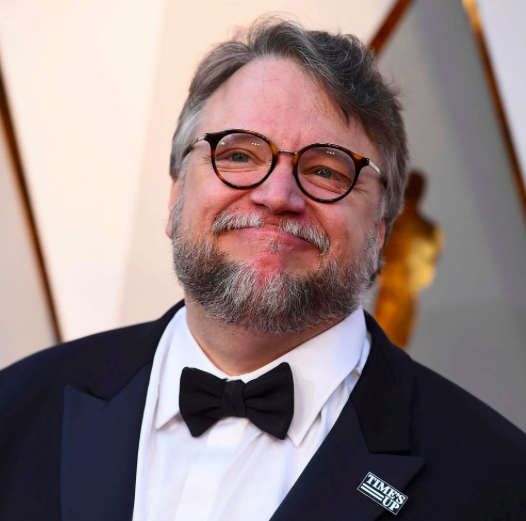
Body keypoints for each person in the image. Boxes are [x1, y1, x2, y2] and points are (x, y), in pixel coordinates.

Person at [0, 17, 525, 521]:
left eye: (326, 170)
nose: (277, 195)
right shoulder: (16, 409)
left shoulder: (499, 484)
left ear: (381, 230)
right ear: (177, 193)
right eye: (239, 156)